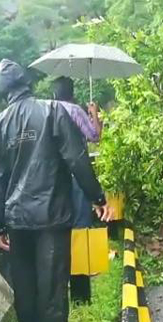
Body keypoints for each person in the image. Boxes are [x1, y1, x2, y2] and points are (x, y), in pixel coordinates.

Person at [0, 59, 113, 322]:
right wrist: (97, 198)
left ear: (2, 91)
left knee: (26, 295)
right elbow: (77, 159)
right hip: (51, 218)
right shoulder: (53, 111)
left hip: (17, 221)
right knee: (53, 294)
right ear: (28, 82)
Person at [51, 76, 103, 303]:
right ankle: (81, 295)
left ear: (54, 94)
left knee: (60, 229)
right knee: (81, 227)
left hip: (52, 178)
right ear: (72, 93)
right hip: (76, 175)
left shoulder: (47, 112)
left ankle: (61, 286)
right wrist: (93, 112)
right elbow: (95, 136)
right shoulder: (74, 110)